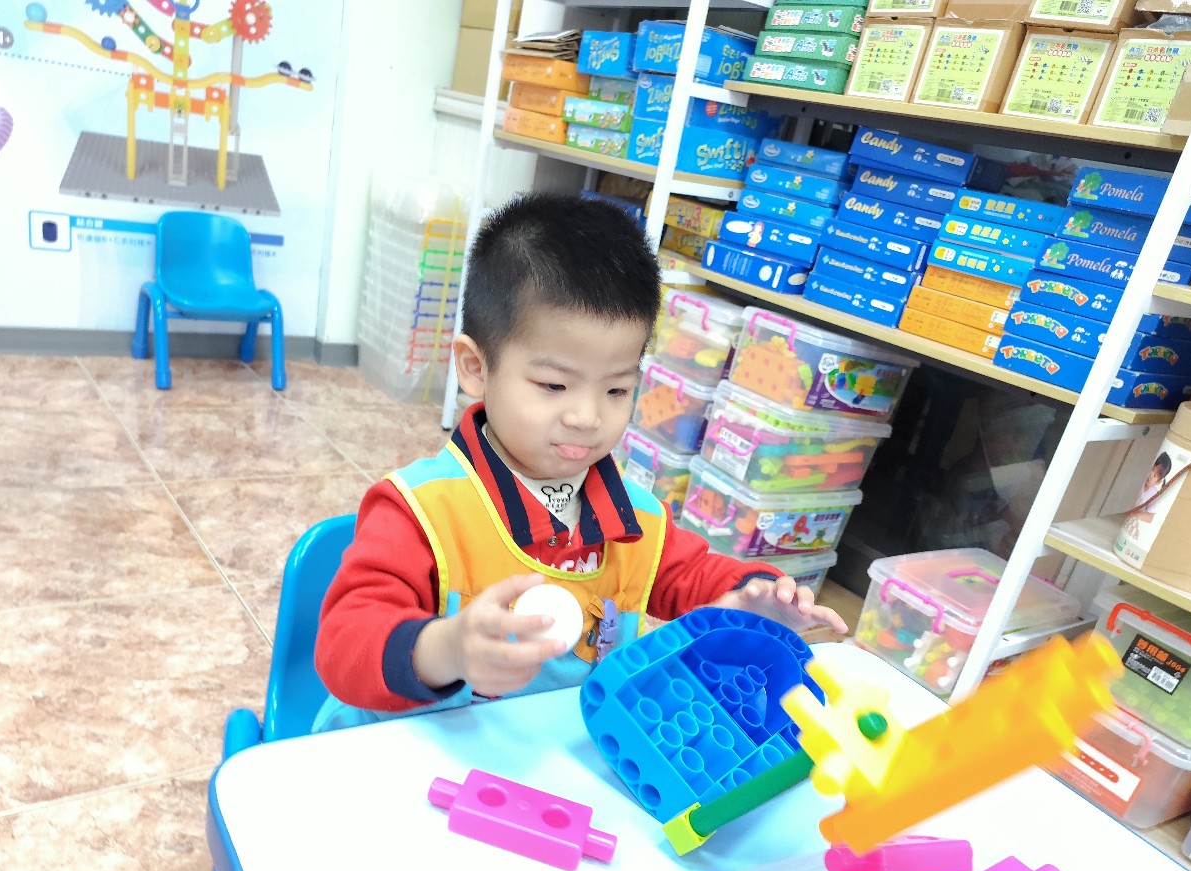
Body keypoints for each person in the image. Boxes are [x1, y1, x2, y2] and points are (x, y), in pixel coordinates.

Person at [312, 193, 847, 731]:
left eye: (616, 390)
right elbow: (343, 644)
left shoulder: (637, 520)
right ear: (476, 368)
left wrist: (756, 599)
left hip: (548, 758)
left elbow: (697, 576)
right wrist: (446, 649)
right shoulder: (423, 509)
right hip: (403, 749)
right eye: (553, 385)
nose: (587, 417)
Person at [1123, 452, 1171, 537]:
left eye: (1155, 475)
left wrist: (1135, 514)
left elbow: (1149, 518)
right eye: (1152, 470)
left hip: (1131, 527)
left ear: (1159, 481)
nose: (1151, 475)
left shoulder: (1154, 494)